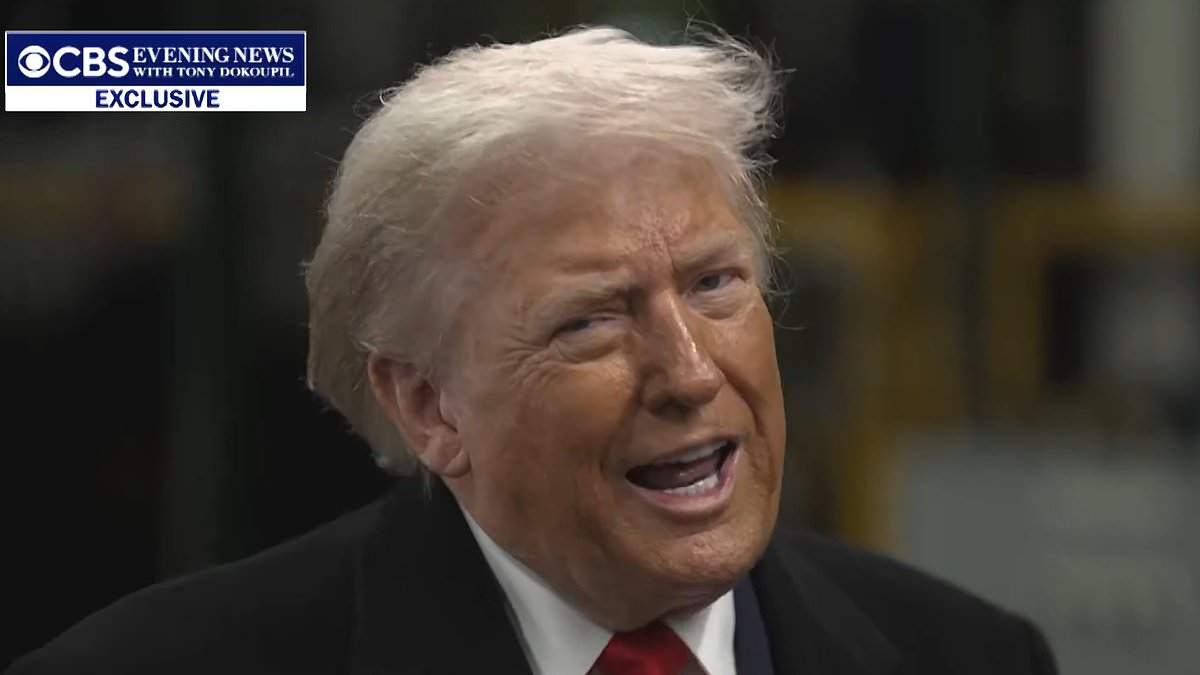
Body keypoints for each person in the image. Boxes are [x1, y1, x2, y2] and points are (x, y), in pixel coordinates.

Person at [8, 27, 1057, 675]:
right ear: (429, 406)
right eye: (591, 320)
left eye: (715, 284)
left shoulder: (973, 656)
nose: (692, 371)